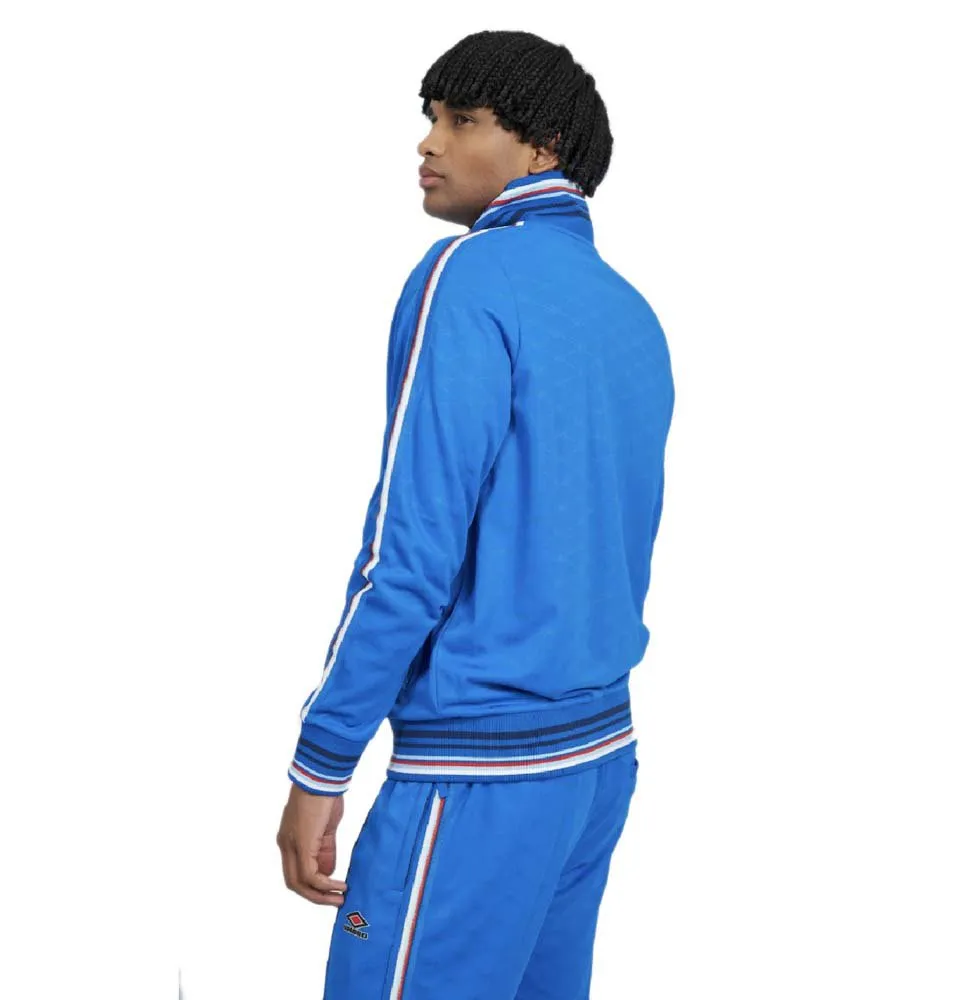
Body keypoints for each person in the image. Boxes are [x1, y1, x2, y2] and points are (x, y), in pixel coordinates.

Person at [276, 29, 675, 1000]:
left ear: (542, 146)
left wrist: (322, 761)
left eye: (463, 120)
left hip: (478, 773)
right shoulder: (628, 309)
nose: (429, 142)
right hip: (596, 761)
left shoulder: (467, 275)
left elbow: (407, 554)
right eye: (429, 118)